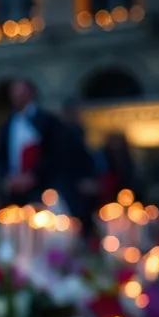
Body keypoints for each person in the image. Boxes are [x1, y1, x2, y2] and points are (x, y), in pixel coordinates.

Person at [0, 79, 66, 206]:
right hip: (15, 191)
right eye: (14, 93)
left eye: (21, 92)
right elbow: (1, 156)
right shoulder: (7, 125)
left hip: (43, 187)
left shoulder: (46, 121)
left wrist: (33, 176)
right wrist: (8, 179)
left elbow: (54, 152)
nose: (16, 96)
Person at [57, 99, 98, 236]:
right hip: (71, 186)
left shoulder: (76, 132)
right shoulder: (67, 134)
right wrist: (82, 179)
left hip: (75, 185)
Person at [96, 132, 138, 203]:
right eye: (113, 141)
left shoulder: (127, 158)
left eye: (117, 141)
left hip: (126, 192)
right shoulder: (102, 157)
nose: (115, 144)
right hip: (107, 193)